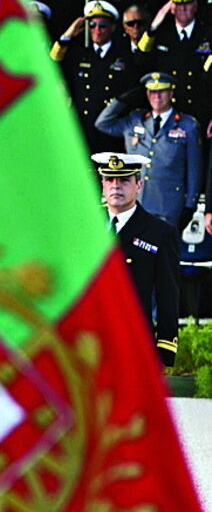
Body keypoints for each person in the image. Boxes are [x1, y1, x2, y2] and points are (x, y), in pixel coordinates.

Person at [93, 152, 179, 367]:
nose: (116, 186)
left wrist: (165, 346)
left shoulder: (159, 232)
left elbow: (167, 294)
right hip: (90, 340)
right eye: (110, 180)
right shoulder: (85, 225)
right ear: (102, 184)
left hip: (134, 342)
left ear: (139, 185)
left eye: (124, 180)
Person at [95, 71, 203, 228]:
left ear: (171, 93)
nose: (157, 97)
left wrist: (190, 205)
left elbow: (194, 170)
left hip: (168, 208)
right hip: (136, 205)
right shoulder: (135, 120)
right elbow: (103, 123)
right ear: (147, 93)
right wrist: (120, 101)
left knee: (164, 252)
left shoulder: (188, 126)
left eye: (162, 92)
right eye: (152, 92)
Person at [50, 0, 137, 153]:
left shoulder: (123, 57)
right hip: (83, 131)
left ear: (112, 27)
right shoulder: (79, 55)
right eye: (92, 25)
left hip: (110, 133)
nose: (97, 30)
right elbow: (53, 63)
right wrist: (67, 35)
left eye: (102, 25)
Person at [137, 0, 212, 129]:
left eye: (188, 3)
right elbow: (140, 61)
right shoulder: (161, 34)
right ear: (171, 8)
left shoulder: (208, 33)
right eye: (178, 4)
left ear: (195, 6)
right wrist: (152, 29)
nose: (183, 8)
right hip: (168, 114)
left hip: (200, 113)